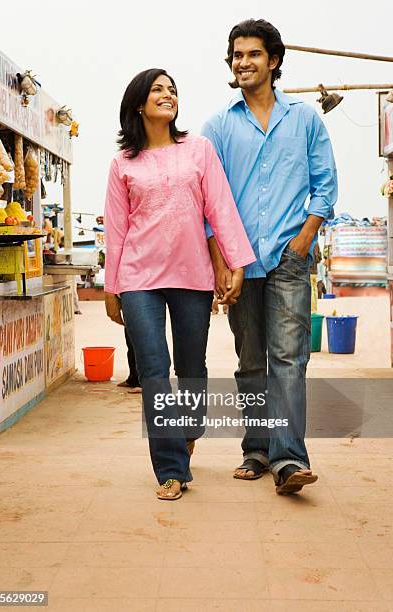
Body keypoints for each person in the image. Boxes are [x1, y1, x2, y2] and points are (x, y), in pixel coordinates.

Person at [104, 68, 256, 500]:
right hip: (139, 278)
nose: (168, 95)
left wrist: (236, 263)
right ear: (139, 103)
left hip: (192, 276)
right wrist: (113, 288)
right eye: (158, 90)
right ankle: (170, 469)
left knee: (191, 368)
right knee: (153, 371)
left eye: (172, 89)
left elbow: (221, 209)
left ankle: (190, 427)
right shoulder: (123, 163)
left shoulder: (199, 151)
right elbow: (117, 230)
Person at [202, 19, 337, 494]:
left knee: (289, 358)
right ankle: (257, 449)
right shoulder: (218, 126)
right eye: (237, 55)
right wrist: (220, 262)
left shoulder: (304, 120)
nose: (243, 62)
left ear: (273, 61)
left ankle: (288, 459)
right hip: (239, 263)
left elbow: (325, 189)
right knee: (250, 361)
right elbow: (207, 200)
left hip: (288, 257)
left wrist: (302, 242)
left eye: (252, 54)